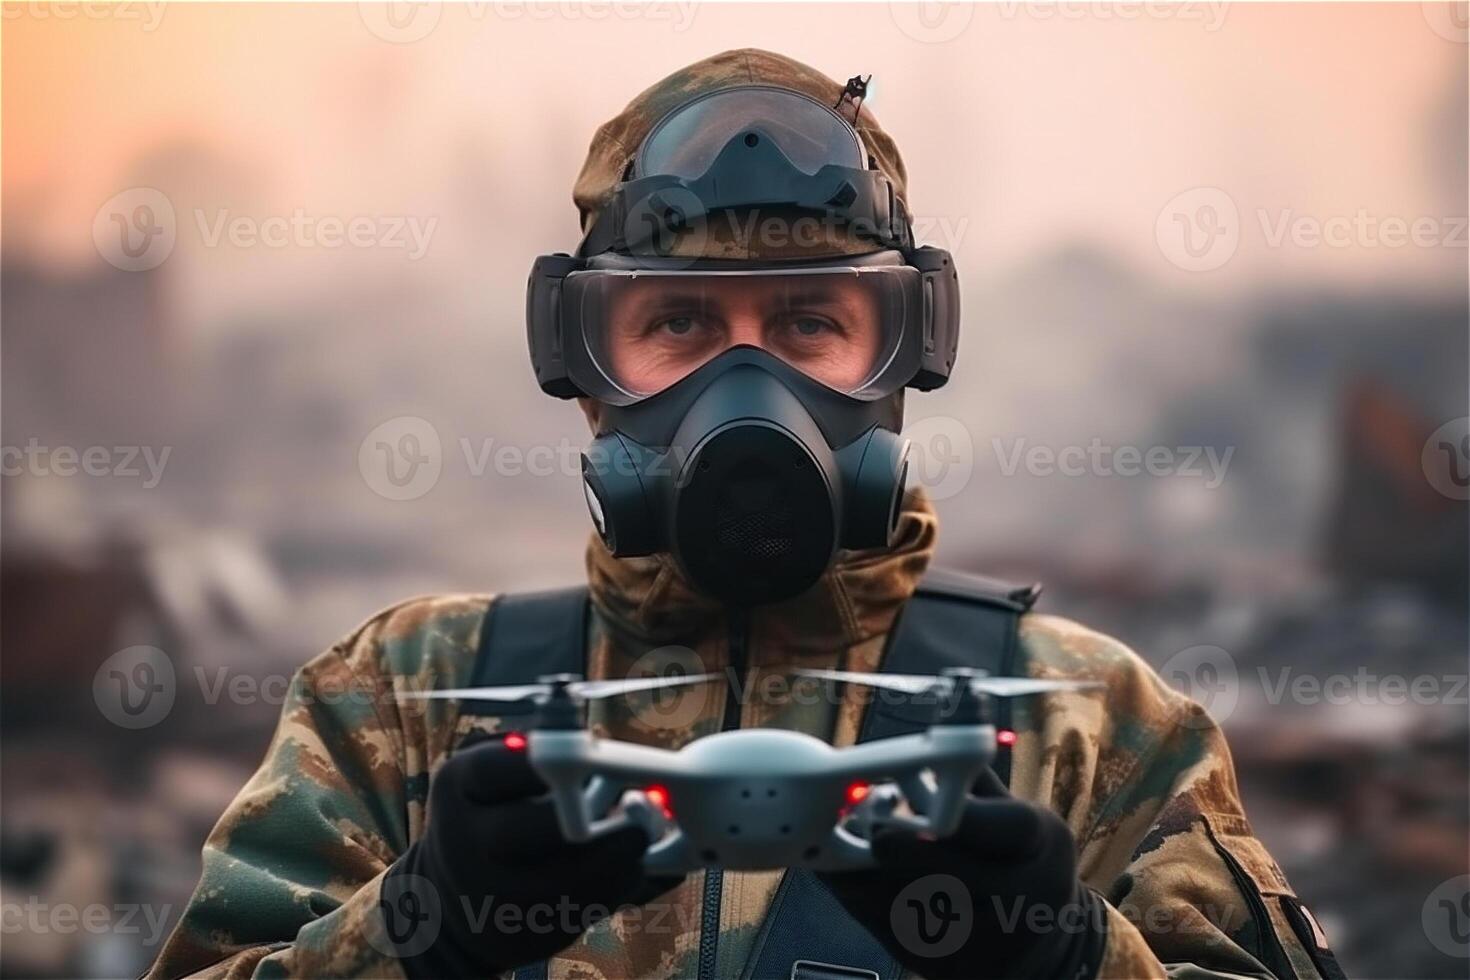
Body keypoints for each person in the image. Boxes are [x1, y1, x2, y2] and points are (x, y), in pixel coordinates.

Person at [148, 49, 1345, 980]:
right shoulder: (400, 707)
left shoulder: (1096, 731)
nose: (748, 391)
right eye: (676, 326)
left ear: (907, 352)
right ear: (578, 364)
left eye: (812, 324)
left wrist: (1068, 954)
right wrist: (418, 929)